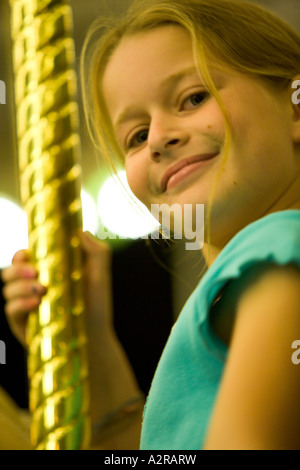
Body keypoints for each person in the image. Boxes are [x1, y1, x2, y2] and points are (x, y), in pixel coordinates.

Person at [2, 0, 300, 450]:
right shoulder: (246, 275)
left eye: (193, 98)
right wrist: (90, 347)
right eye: (137, 136)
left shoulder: (277, 247)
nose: (159, 138)